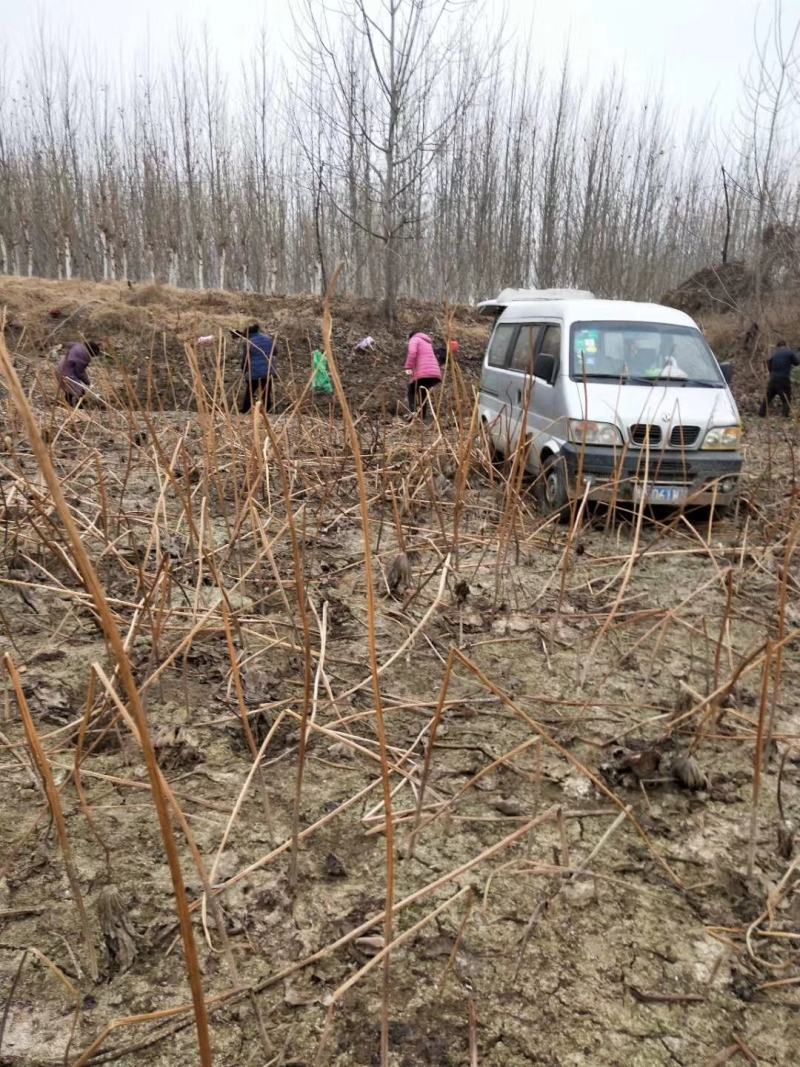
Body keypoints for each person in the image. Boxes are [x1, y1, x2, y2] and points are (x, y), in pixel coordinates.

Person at [238, 323, 276, 413]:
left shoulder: (249, 342)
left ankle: (245, 410)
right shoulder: (268, 340)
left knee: (250, 392)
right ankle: (267, 410)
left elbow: (245, 359)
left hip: (254, 372)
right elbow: (275, 352)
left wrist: (244, 370)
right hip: (267, 371)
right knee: (266, 392)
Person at [404, 329, 442, 420]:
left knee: (411, 390)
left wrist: (408, 367)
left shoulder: (414, 339)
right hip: (435, 373)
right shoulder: (427, 342)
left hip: (424, 372)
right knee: (423, 393)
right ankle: (422, 417)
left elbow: (412, 353)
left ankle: (413, 412)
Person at [758, 340, 799, 417]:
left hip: (773, 379)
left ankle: (761, 413)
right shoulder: (789, 352)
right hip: (783, 379)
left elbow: (769, 366)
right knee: (786, 398)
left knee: (768, 397)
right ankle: (785, 415)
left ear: (778, 347)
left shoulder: (774, 355)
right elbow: (796, 363)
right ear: (785, 345)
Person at [57, 340, 100, 406]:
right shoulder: (85, 356)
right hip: (67, 372)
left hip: (60, 368)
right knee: (79, 391)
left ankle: (70, 403)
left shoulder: (79, 345)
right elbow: (79, 372)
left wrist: (62, 344)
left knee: (69, 388)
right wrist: (88, 382)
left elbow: (68, 344)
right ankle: (75, 405)